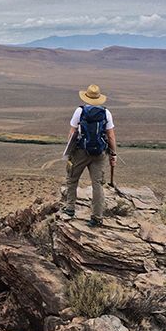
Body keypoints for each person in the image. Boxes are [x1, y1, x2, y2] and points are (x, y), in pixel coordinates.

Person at [60, 84, 117, 226]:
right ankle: (97, 217)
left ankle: (70, 209)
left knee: (72, 180)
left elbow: (72, 133)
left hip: (81, 152)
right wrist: (113, 154)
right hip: (99, 153)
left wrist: (70, 151)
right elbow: (111, 136)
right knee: (97, 184)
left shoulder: (80, 111)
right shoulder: (106, 113)